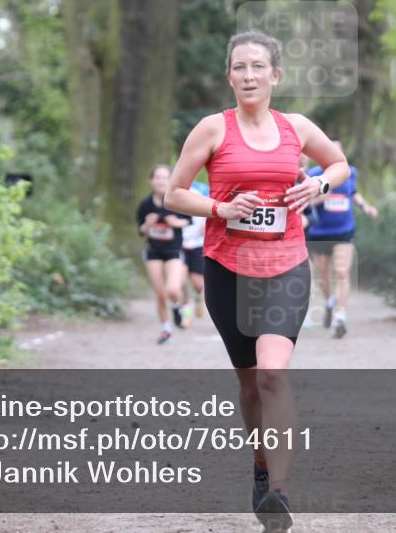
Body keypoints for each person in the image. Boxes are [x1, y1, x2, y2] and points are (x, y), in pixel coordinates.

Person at [165, 30, 349, 529]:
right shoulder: (211, 130)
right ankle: (262, 467)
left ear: (275, 76)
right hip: (227, 271)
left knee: (273, 375)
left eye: (257, 67)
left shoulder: (295, 128)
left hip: (286, 266)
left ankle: (281, 493)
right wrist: (221, 207)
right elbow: (174, 195)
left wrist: (317, 183)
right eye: (239, 67)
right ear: (229, 76)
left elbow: (339, 163)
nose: (248, 75)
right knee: (249, 385)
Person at [305, 139, 379, 338]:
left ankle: (341, 315)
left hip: (344, 230)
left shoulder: (349, 172)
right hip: (320, 233)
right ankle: (329, 302)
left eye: (338, 150)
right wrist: (322, 197)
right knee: (324, 278)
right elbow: (306, 203)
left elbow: (354, 193)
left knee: (342, 271)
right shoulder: (312, 175)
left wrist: (366, 207)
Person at [136, 164, 190, 344]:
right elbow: (141, 231)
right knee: (159, 293)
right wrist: (147, 225)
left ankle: (176, 306)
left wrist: (175, 222)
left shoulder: (176, 201)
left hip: (173, 251)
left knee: (173, 289)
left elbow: (188, 221)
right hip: (153, 251)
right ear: (151, 181)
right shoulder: (145, 204)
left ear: (170, 180)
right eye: (157, 177)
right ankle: (166, 329)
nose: (161, 181)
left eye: (165, 177)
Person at [179, 180, 210, 326]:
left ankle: (199, 299)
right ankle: (187, 315)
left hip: (197, 244)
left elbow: (211, 210)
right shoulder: (171, 192)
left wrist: (205, 227)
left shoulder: (200, 190)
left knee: (198, 283)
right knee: (180, 283)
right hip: (177, 245)